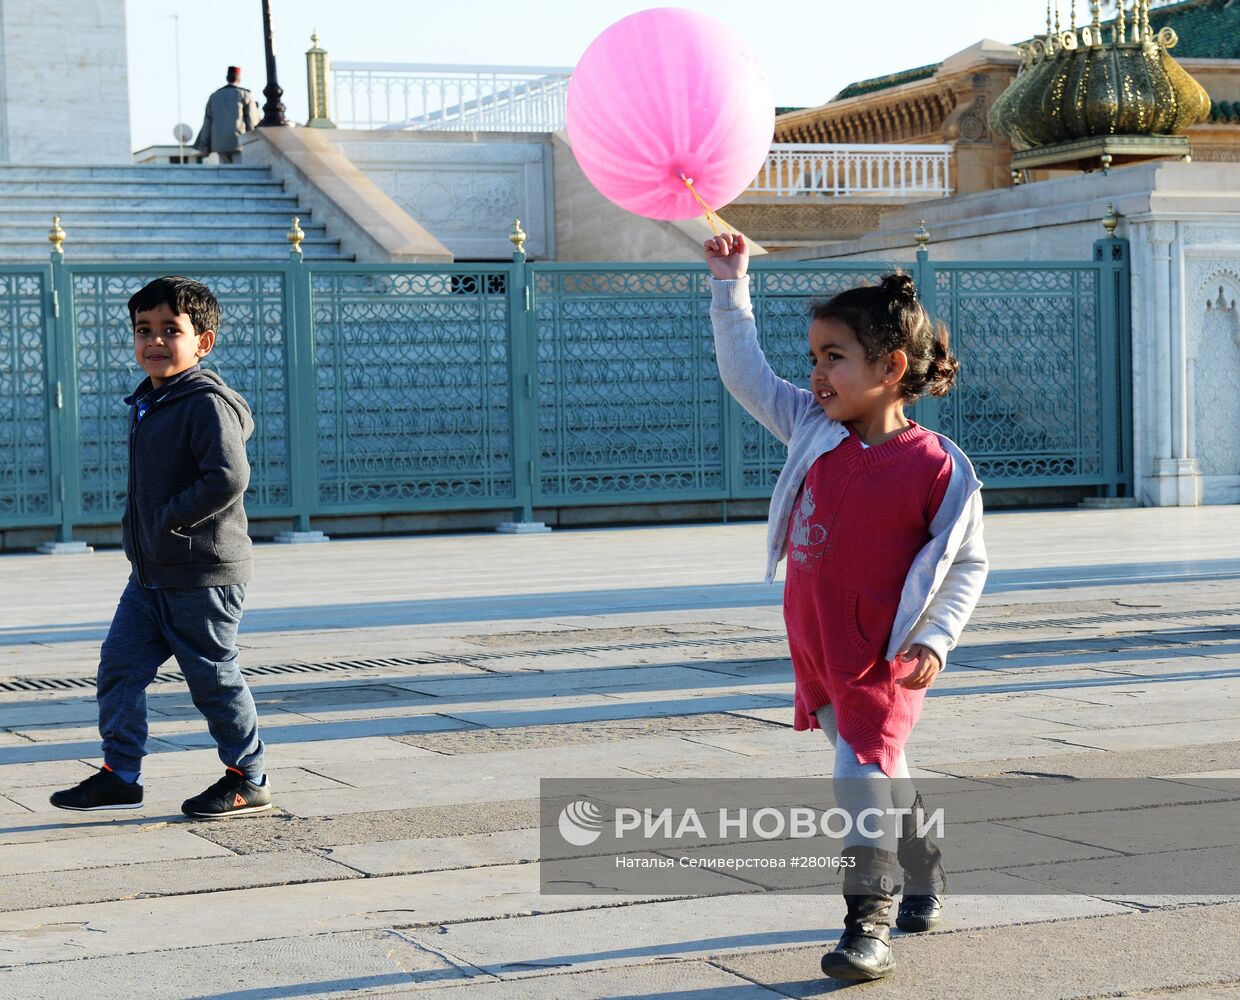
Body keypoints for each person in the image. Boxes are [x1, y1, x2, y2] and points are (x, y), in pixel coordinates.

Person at [705, 232, 988, 982]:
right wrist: (730, 285)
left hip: (884, 652)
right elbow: (746, 376)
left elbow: (967, 563)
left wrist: (936, 638)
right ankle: (923, 858)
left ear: (891, 369)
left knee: (858, 766)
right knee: (879, 763)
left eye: (835, 357)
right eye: (815, 357)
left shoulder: (936, 466)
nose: (817, 373)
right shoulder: (811, 428)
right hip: (817, 643)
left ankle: (870, 920)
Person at [50, 276, 271, 819]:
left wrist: (170, 520)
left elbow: (228, 476)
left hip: (202, 573)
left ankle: (249, 777)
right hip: (150, 574)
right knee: (119, 668)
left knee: (212, 678)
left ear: (204, 341)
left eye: (170, 330)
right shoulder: (151, 400)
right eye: (143, 329)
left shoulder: (204, 403)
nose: (153, 341)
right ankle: (121, 774)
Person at [194, 67, 261, 163]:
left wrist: (205, 145)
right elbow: (251, 121)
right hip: (239, 142)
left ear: (227, 78)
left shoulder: (214, 96)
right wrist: (253, 142)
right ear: (239, 79)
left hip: (219, 144)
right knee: (240, 170)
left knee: (225, 171)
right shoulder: (245, 95)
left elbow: (207, 124)